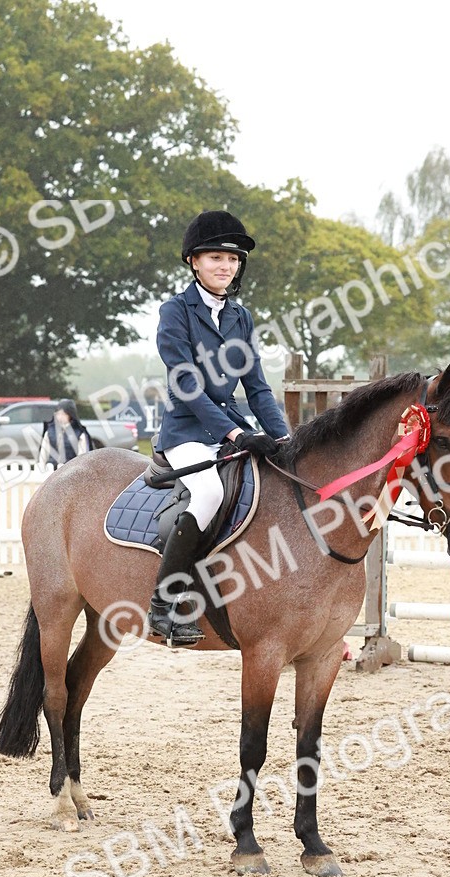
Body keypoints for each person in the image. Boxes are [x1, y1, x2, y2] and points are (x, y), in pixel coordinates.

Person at [147, 209, 290, 645]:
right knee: (209, 492)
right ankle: (163, 603)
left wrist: (284, 437)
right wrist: (235, 434)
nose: (226, 266)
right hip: (187, 433)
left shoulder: (240, 318)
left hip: (231, 429)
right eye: (215, 258)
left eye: (232, 259)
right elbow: (187, 385)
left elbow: (258, 388)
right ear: (194, 262)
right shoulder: (175, 312)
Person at [38, 400, 92, 469]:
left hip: (70, 469)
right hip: (52, 469)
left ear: (70, 415)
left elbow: (82, 455)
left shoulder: (79, 433)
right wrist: (42, 467)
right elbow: (44, 452)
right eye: (58, 414)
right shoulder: (50, 431)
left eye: (63, 414)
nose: (60, 417)